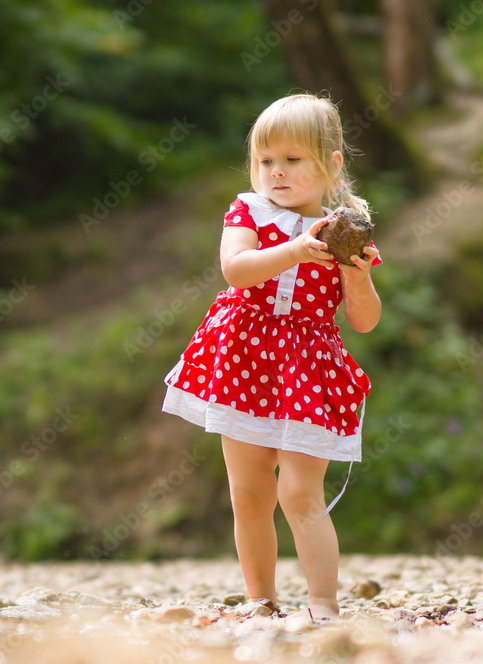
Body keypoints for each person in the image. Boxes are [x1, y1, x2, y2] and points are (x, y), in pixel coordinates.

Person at [161, 93, 382, 622]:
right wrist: (295, 249)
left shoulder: (343, 229)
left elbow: (365, 320)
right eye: (265, 161)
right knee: (249, 491)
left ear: (331, 165)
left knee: (300, 493)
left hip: (308, 365)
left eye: (292, 160)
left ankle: (323, 603)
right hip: (243, 356)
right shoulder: (247, 211)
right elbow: (236, 270)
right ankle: (262, 599)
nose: (276, 173)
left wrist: (358, 276)